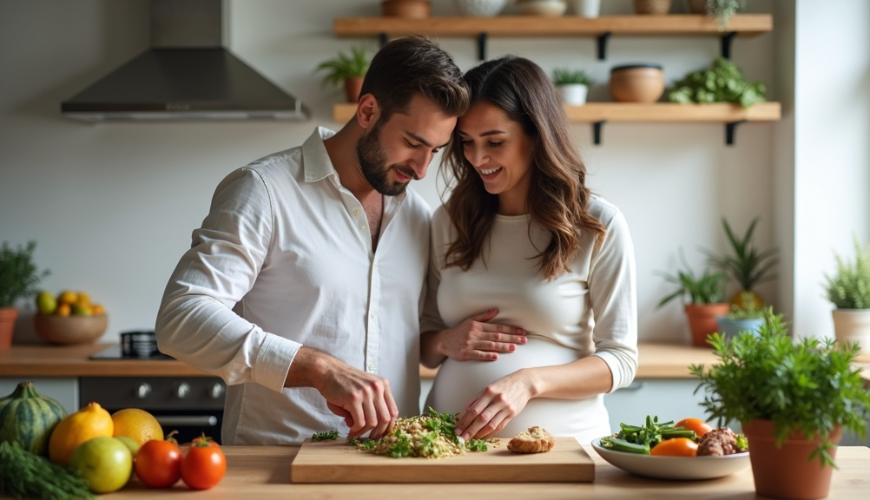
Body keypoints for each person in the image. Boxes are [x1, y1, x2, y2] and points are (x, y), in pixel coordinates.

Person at [155, 36, 470, 445]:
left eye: (436, 151)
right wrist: (317, 367)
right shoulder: (264, 191)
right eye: (412, 143)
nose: (423, 169)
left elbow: (420, 336)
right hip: (276, 468)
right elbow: (181, 318)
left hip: (387, 467)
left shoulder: (417, 216)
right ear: (368, 110)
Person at [420, 56, 638, 444]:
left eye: (495, 142)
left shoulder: (596, 225)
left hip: (562, 451)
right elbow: (424, 343)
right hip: (449, 447)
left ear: (537, 135)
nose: (477, 159)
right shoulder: (449, 221)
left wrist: (528, 382)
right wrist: (443, 341)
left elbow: (621, 361)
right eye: (466, 142)